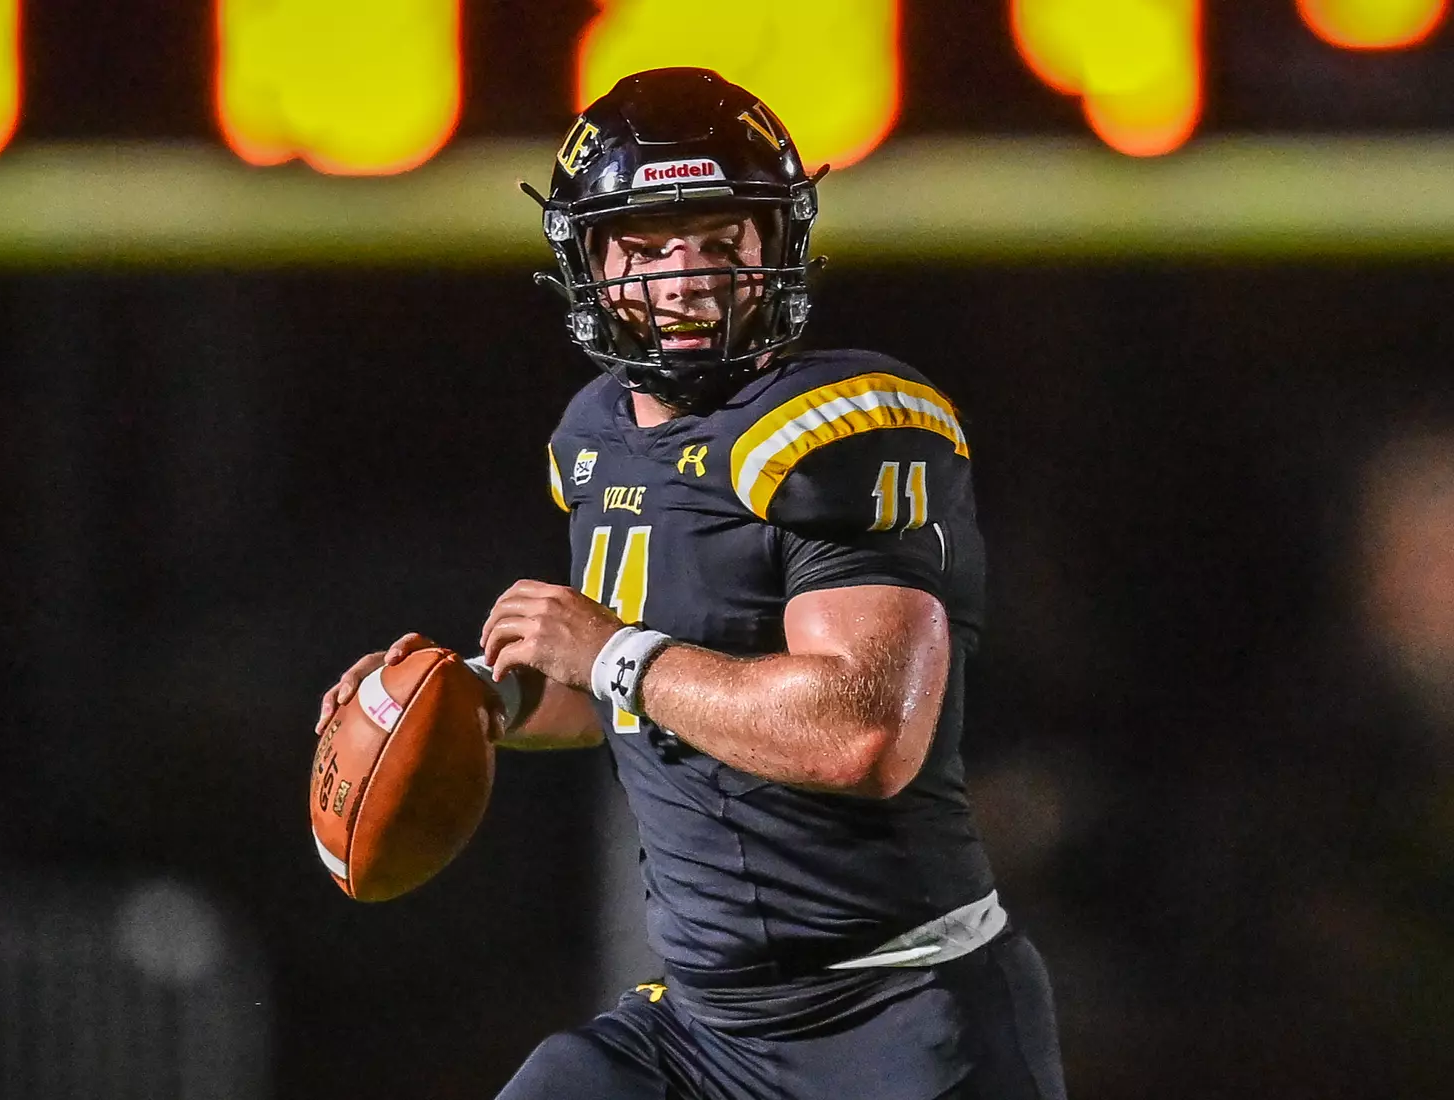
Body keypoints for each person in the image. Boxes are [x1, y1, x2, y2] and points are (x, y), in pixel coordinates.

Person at [319, 67, 1067, 1100]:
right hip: (707, 1029)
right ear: (586, 257)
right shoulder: (594, 437)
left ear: (776, 245)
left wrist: (612, 649)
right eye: (646, 246)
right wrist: (474, 704)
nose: (685, 280)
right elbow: (634, 697)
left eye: (720, 241)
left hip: (896, 1020)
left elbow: (864, 729)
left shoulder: (845, 426)